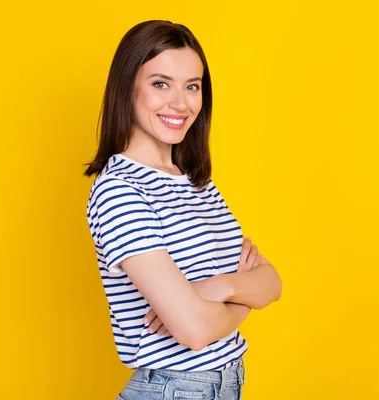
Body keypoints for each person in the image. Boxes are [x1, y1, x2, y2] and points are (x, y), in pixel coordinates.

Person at [83, 20, 282, 399]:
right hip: (174, 389)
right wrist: (243, 298)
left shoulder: (195, 181)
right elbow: (193, 330)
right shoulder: (120, 191)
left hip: (224, 383)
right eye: (161, 84)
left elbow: (273, 283)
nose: (181, 103)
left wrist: (219, 288)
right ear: (127, 88)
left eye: (192, 86)